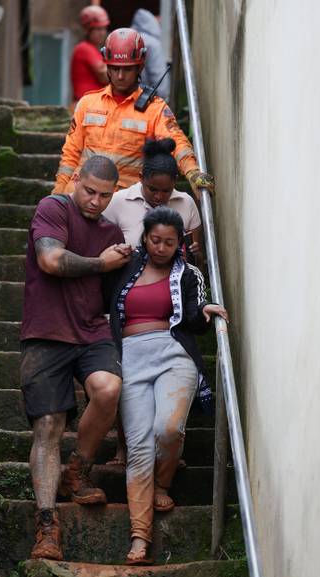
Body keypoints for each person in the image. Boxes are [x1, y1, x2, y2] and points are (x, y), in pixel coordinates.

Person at [21, 155, 133, 561]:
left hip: (91, 330)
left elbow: (117, 294)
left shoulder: (111, 232)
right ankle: (47, 524)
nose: (95, 201)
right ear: (76, 181)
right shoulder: (53, 209)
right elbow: (51, 260)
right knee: (49, 425)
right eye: (89, 191)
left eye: (105, 196)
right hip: (46, 331)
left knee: (109, 388)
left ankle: (78, 470)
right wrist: (102, 263)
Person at [106, 207, 229, 565]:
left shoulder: (188, 273)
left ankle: (163, 482)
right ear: (145, 237)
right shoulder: (124, 267)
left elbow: (193, 314)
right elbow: (102, 303)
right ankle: (139, 538)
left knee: (169, 428)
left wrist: (205, 312)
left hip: (174, 354)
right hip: (131, 357)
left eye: (169, 242)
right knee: (139, 447)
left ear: (180, 244)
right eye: (155, 240)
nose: (161, 248)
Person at [102, 137, 206, 467]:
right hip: (128, 295)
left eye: (166, 190)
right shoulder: (118, 202)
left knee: (172, 386)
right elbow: (101, 242)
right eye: (152, 190)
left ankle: (168, 453)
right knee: (126, 378)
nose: (160, 196)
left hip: (171, 298)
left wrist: (195, 258)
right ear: (141, 179)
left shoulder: (185, 204)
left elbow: (196, 254)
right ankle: (123, 447)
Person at [53, 27, 215, 197]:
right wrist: (58, 192)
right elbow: (70, 154)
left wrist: (192, 172)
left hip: (124, 200)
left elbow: (177, 142)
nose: (120, 76)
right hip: (81, 194)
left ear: (140, 67)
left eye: (127, 69)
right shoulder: (87, 103)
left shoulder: (155, 109)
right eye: (114, 68)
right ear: (107, 66)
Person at [71, 6, 109, 102]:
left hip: (92, 104)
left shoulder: (95, 49)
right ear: (87, 30)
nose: (102, 33)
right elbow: (105, 76)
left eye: (103, 28)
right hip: (86, 105)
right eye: (98, 29)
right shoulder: (84, 48)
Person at [130, 8, 169, 102]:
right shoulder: (153, 44)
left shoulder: (129, 40)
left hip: (126, 97)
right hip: (146, 101)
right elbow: (160, 84)